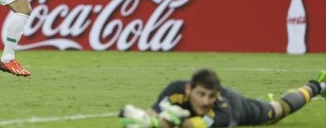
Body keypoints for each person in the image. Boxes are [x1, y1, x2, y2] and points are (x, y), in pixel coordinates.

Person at [119, 68, 326, 128]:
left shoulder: (224, 111)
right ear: (189, 89)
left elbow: (191, 125)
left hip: (241, 108)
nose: (205, 101)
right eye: (200, 94)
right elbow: (153, 112)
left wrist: (165, 122)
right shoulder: (175, 89)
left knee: (276, 112)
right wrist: (147, 120)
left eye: (211, 96)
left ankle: (317, 85)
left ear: (217, 94)